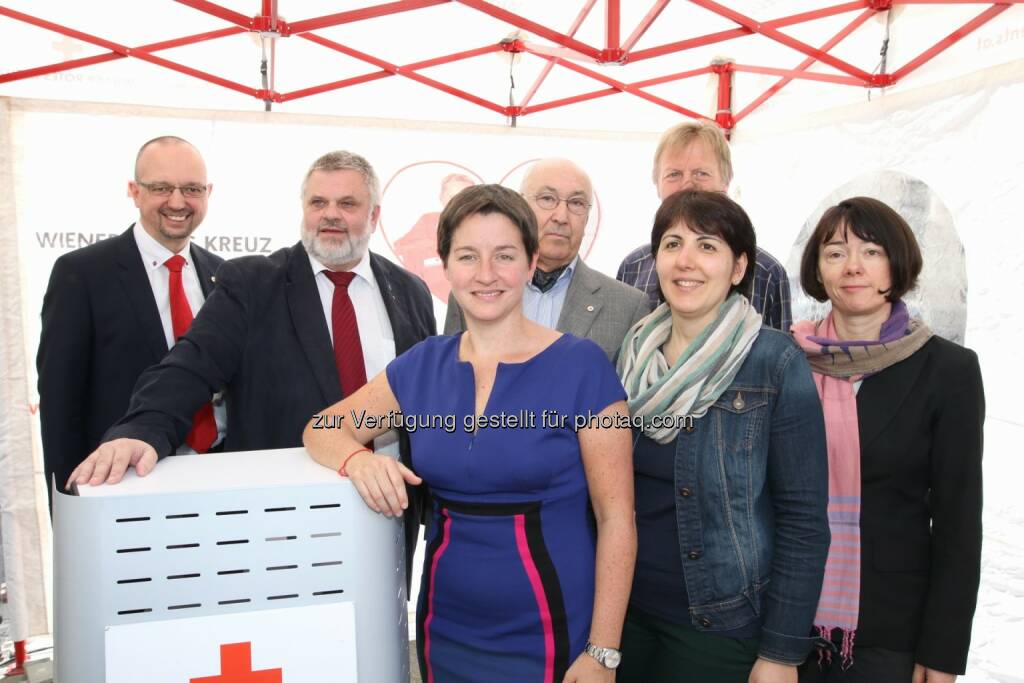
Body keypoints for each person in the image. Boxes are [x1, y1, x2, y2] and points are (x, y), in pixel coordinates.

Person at [304, 184, 637, 682]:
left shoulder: (582, 367)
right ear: (446, 266)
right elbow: (321, 429)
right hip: (446, 628)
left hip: (553, 631)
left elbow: (617, 520)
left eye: (504, 256)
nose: (485, 275)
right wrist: (361, 461)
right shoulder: (421, 365)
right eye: (467, 256)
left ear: (529, 263)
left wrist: (603, 651)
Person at [66, 150, 436, 579]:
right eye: (318, 203)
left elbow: (427, 396)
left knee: (381, 642)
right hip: (284, 524)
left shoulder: (410, 292)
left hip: (389, 513)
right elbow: (189, 366)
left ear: (373, 215)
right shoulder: (253, 284)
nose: (330, 215)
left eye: (347, 204)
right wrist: (140, 429)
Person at [616, 190, 829, 683]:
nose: (685, 261)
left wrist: (781, 652)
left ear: (738, 268)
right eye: (672, 244)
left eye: (707, 246)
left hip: (719, 625)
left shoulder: (774, 363)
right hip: (623, 616)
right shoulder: (630, 355)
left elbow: (804, 521)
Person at [792, 197, 984, 683]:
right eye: (835, 252)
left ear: (897, 264)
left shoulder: (948, 371)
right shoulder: (785, 360)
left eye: (871, 251)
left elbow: (959, 524)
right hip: (781, 618)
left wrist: (942, 653)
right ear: (818, 269)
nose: (852, 265)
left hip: (889, 632)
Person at [37, 135, 224, 505]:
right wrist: (70, 508)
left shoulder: (226, 276)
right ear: (134, 191)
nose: (177, 201)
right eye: (161, 188)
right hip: (121, 488)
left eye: (191, 189)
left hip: (218, 480)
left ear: (208, 193)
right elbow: (60, 406)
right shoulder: (82, 273)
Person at [445, 158, 651, 360]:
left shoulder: (628, 306)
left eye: (576, 203)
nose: (561, 216)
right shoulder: (477, 291)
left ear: (587, 218)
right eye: (547, 199)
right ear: (521, 207)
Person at [616, 120, 792, 331]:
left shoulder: (767, 273)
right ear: (657, 184)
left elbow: (779, 357)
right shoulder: (632, 267)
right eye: (674, 174)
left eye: (701, 173)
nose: (688, 184)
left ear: (725, 183)